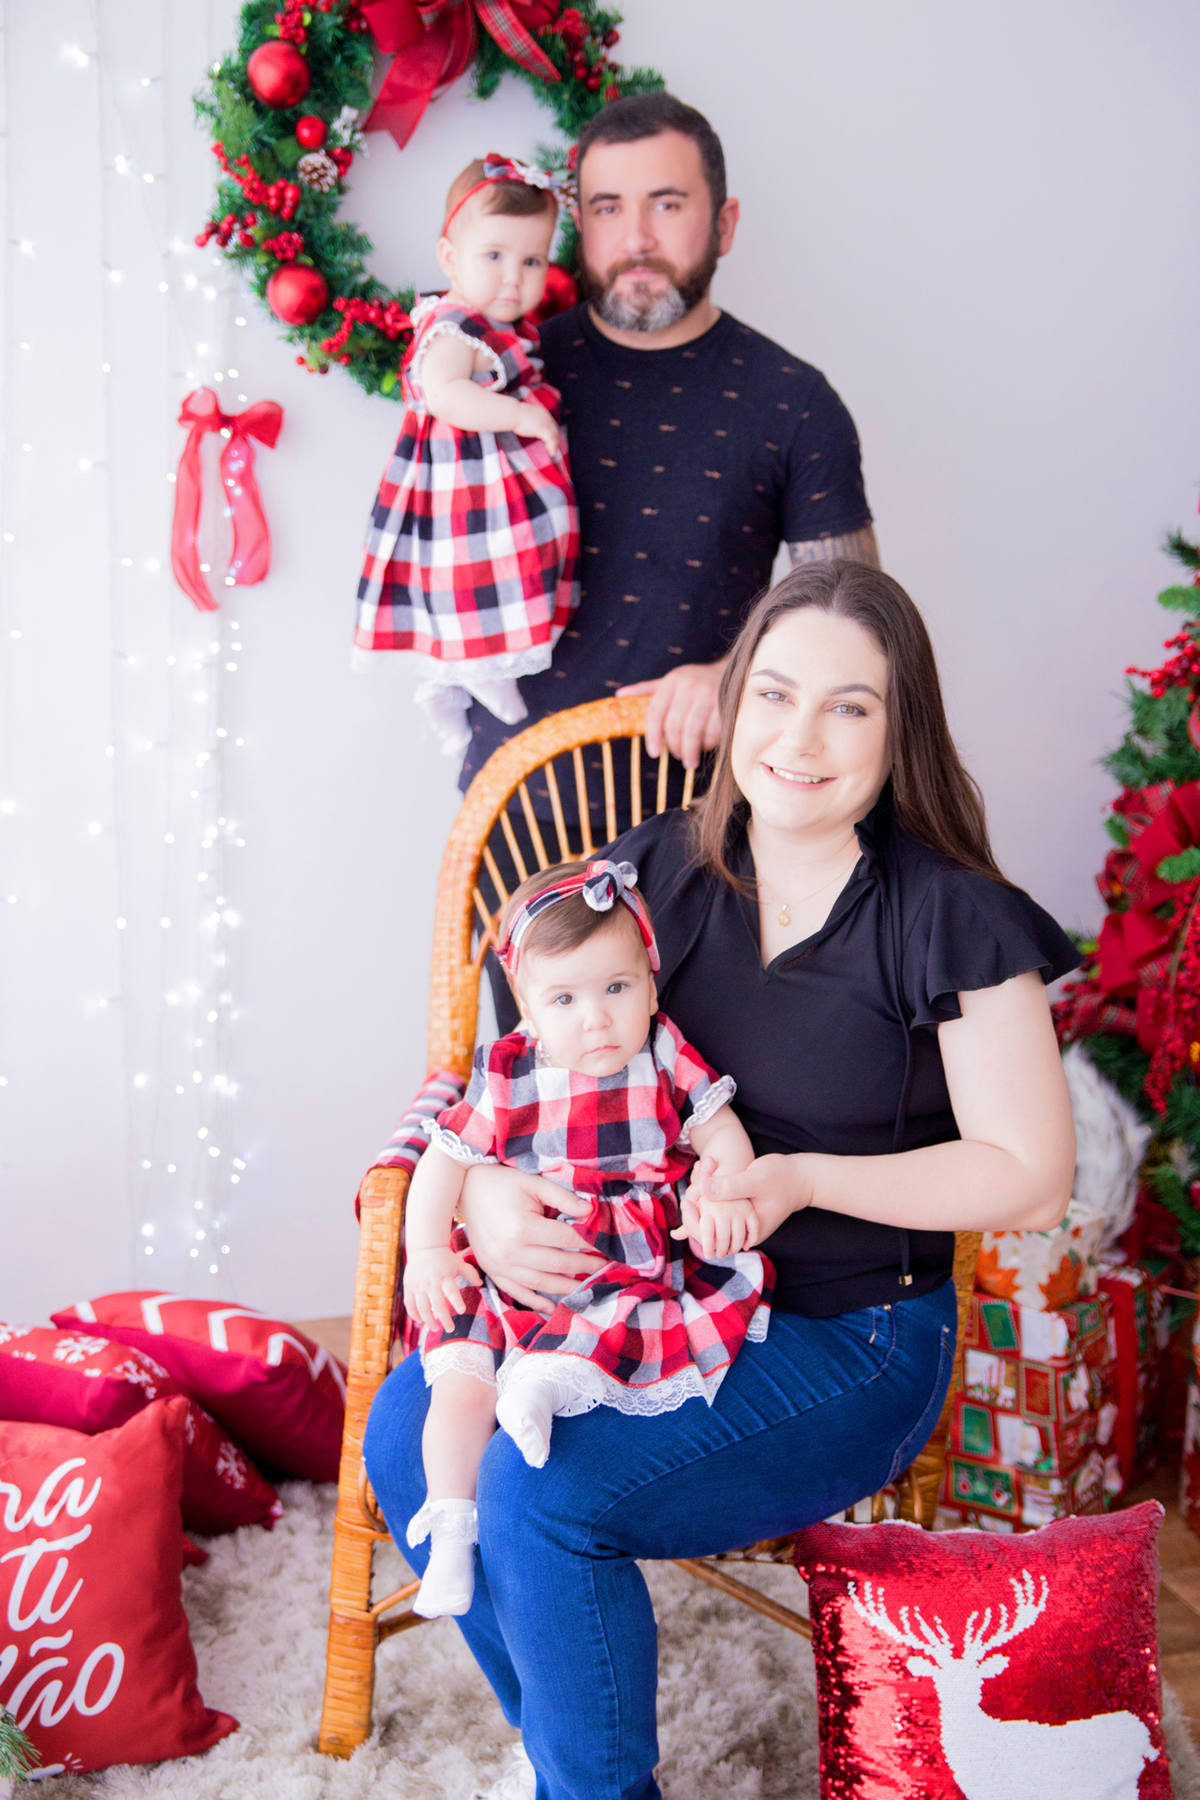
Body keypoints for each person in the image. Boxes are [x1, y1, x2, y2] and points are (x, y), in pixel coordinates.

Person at [363, 560, 1080, 1800]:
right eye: (777, 695)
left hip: (844, 1338)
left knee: (542, 1502)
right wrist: (473, 1195)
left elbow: (1029, 1178)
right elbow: (497, 1069)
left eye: (849, 707)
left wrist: (801, 1177)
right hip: (646, 1297)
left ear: (896, 731)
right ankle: (573, 1765)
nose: (800, 739)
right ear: (735, 703)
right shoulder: (652, 881)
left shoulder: (949, 916)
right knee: (402, 1434)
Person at [401, 856, 768, 1623]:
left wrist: (717, 1187)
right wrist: (431, 1250)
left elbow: (722, 1135)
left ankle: (541, 1387)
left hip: (619, 1264)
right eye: (564, 998)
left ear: (651, 984)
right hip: (517, 1266)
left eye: (616, 988)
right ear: (527, 1011)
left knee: (601, 1329)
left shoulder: (662, 1051)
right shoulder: (507, 1072)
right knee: (459, 1384)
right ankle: (451, 1532)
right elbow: (442, 1162)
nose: (596, 1018)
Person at [353, 155, 580, 757]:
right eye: (495, 256)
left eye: (532, 261)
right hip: (464, 492)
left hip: (492, 485)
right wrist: (522, 415)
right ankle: (470, 675)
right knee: (472, 578)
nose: (514, 278)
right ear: (450, 258)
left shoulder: (498, 326)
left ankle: (449, 684)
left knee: (509, 571)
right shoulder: (453, 327)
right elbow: (447, 394)